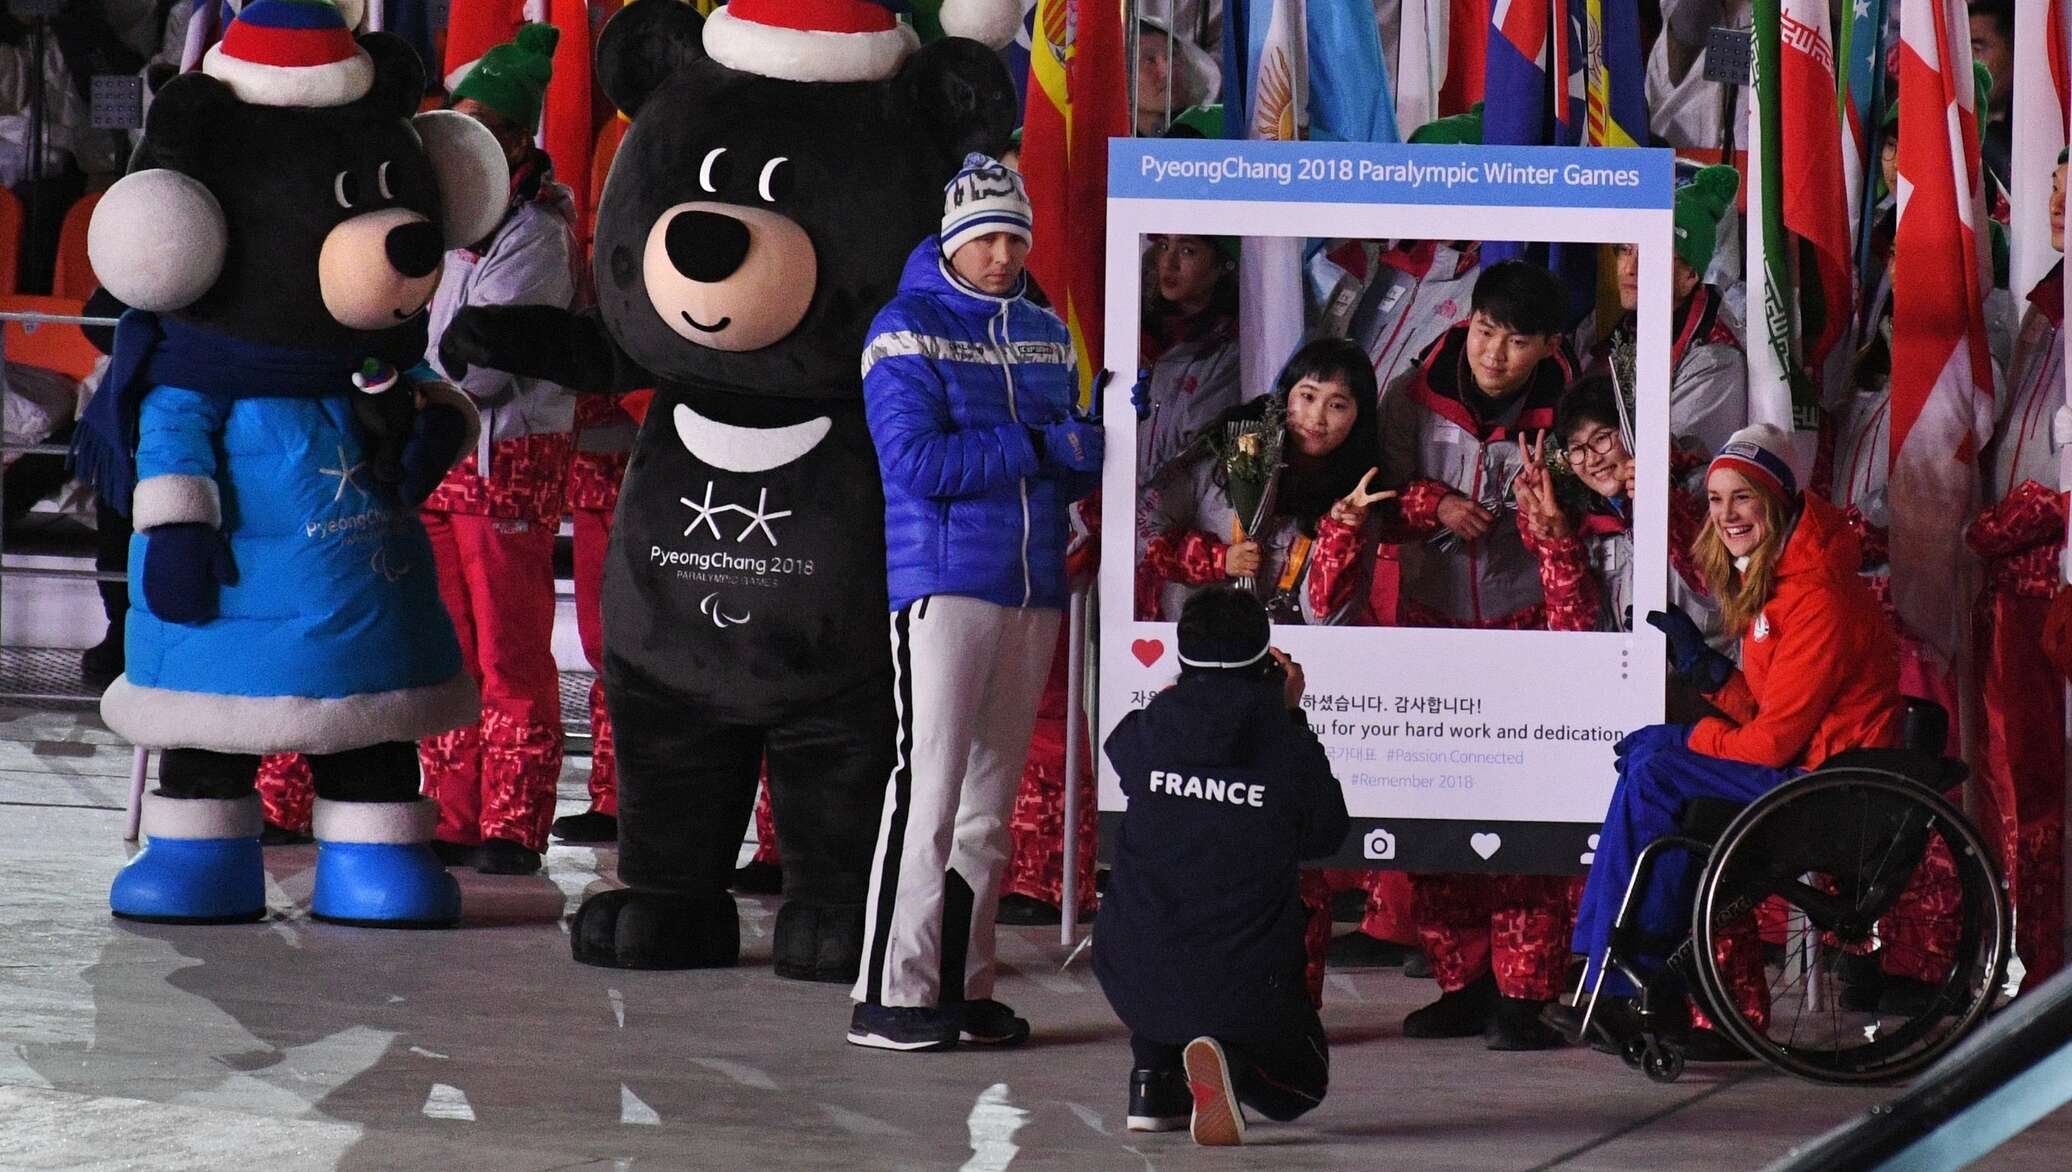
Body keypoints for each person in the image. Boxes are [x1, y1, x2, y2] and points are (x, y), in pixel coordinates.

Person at [849, 153, 1102, 1051]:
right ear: (954, 240)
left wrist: (1091, 438)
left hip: (1033, 584)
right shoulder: (903, 327)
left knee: (990, 805)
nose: (1002, 255)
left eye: (1014, 238)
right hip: (944, 584)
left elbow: (1072, 453)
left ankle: (962, 984)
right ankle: (893, 994)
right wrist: (1039, 443)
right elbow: (916, 464)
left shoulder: (1042, 328)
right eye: (986, 238)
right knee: (929, 792)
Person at [1566, 424, 1904, 1048]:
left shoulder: (1817, 594)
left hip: (1828, 781)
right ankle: (1620, 968)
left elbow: (1774, 743)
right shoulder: (1780, 578)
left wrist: (1689, 736)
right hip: (1810, 762)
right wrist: (1715, 675)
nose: (1725, 515)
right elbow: (1771, 713)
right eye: (1716, 499)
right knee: (1649, 766)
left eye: (1741, 497)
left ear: (1775, 499)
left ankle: (1621, 971)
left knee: (1656, 767)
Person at [1376, 259, 1577, 1050]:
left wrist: (1541, 519)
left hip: (1526, 623)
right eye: (1487, 330)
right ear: (1470, 318)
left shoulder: (1569, 407)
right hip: (1434, 621)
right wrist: (1435, 501)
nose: (1494, 354)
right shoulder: (1412, 388)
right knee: (1441, 813)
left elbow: (1593, 506)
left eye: (1516, 341)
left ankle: (1524, 997)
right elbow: (1381, 485)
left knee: (1526, 818)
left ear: (1547, 347)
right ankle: (1462, 982)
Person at [417, 25, 584, 876]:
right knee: (448, 648)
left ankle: (514, 823)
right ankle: (451, 812)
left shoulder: (537, 232)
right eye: (460, 117)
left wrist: (420, 374)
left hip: (507, 464)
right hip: (446, 464)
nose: (468, 136)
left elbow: (483, 370)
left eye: (486, 122)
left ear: (520, 138)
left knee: (510, 653)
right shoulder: (452, 219)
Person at [1095, 585, 1344, 1147]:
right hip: (1243, 981)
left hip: (1127, 971)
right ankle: (1226, 1063)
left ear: (1182, 655)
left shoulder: (1149, 729)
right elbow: (1328, 834)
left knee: (1164, 900)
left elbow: (1143, 748)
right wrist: (1292, 715)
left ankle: (1151, 1083)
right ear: (1267, 657)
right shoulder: (1284, 742)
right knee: (1302, 1085)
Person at [1963, 147, 2067, 984]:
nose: (2059, 201)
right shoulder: (2044, 308)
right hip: (2019, 591)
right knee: (2018, 782)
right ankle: (2038, 967)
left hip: (2059, 580)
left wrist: (2035, 514)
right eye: (2056, 183)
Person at [1137, 337, 1391, 626]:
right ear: (1285, 395)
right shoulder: (1234, 450)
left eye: (1337, 405)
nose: (1316, 417)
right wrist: (1218, 560)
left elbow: (1328, 621)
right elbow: (1142, 528)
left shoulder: (1357, 499)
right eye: (1307, 396)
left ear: (1359, 417)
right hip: (1188, 638)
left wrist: (1342, 533)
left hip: (1284, 659)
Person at [1512, 374, 1712, 637]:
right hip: (1633, 676)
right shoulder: (1587, 523)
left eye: (1601, 438)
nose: (1592, 459)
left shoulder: (1705, 489)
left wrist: (1662, 506)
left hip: (1716, 673)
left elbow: (1721, 597)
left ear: (1633, 430)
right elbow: (1579, 637)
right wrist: (1559, 545)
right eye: (1577, 449)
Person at [1580, 164, 1747, 461]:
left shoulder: (1716, 360)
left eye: (1652, 253)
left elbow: (1675, 466)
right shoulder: (1607, 328)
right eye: (1625, 249)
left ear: (1691, 275)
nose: (1630, 268)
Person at [1136, 233, 1242, 487]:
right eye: (1163, 246)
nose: (1168, 263)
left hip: (1173, 514)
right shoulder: (1134, 332)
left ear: (1221, 265)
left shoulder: (1228, 352)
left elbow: (1199, 455)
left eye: (1187, 251)